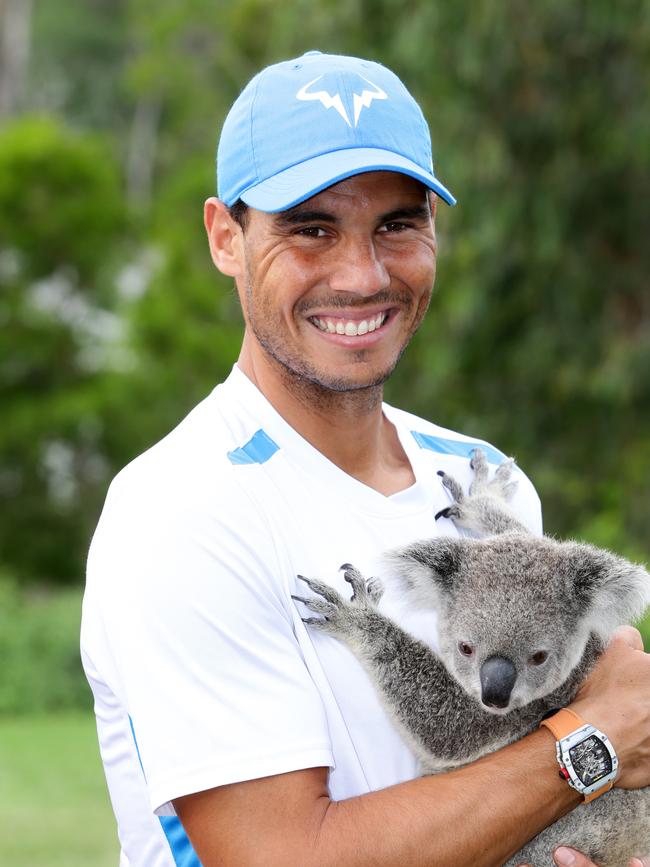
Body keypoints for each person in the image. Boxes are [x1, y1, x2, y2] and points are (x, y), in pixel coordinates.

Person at [81, 51, 650, 867]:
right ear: (225, 237)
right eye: (311, 228)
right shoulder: (180, 511)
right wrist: (588, 748)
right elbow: (283, 857)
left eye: (397, 223)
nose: (363, 273)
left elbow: (535, 765)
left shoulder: (486, 483)